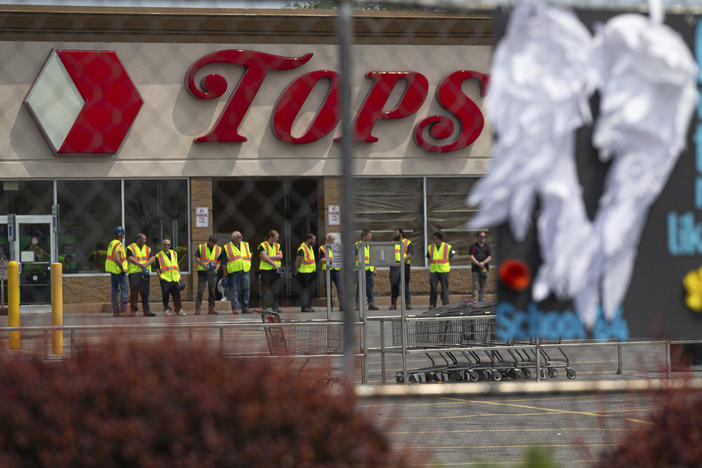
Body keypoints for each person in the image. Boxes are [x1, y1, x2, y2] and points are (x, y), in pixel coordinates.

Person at [222, 230, 252, 314]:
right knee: (234, 290)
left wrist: (247, 262)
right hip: (234, 272)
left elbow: (251, 253)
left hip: (245, 270)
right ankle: (235, 307)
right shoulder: (227, 247)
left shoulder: (246, 245)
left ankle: (245, 308)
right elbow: (223, 262)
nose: (241, 238)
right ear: (233, 238)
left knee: (246, 289)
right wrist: (225, 272)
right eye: (239, 237)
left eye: (241, 236)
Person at [126, 232, 155, 317]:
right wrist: (139, 264)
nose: (145, 241)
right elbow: (129, 257)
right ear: (138, 239)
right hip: (134, 273)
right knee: (134, 292)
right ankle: (133, 311)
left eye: (145, 239)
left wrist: (146, 264)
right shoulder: (130, 247)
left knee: (145, 292)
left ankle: (146, 311)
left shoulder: (147, 248)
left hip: (145, 274)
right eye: (143, 239)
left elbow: (152, 257)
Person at [154, 238, 184, 316]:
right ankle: (166, 309)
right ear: (162, 245)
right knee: (165, 295)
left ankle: (179, 310)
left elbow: (177, 265)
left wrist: (179, 276)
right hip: (165, 279)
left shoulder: (174, 253)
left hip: (175, 278)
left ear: (170, 245)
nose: (167, 246)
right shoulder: (158, 255)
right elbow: (157, 267)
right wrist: (160, 277)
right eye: (165, 244)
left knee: (177, 295)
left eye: (168, 245)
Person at [194, 233, 222, 315]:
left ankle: (211, 308)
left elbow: (219, 260)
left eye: (215, 243)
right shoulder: (201, 247)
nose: (213, 244)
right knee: (200, 290)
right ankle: (198, 308)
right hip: (203, 271)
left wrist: (218, 266)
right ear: (209, 241)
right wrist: (204, 265)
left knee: (212, 291)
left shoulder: (218, 249)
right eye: (212, 242)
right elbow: (197, 258)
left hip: (212, 272)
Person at [426, 231, 455, 309]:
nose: (433, 240)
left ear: (439, 239)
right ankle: (432, 304)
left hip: (444, 270)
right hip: (434, 270)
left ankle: (445, 304)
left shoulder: (448, 247)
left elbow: (451, 257)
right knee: (433, 288)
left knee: (444, 288)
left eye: (434, 239)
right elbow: (429, 257)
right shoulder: (430, 247)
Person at [105, 226, 129, 317]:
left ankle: (116, 312)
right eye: (123, 234)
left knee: (114, 291)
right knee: (124, 290)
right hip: (119, 271)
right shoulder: (118, 244)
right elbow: (117, 258)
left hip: (113, 271)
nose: (124, 235)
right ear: (120, 235)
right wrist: (123, 268)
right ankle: (123, 311)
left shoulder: (112, 243)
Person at [259, 229, 283, 312]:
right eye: (277, 237)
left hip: (275, 271)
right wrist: (274, 263)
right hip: (265, 271)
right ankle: (265, 307)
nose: (278, 239)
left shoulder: (278, 245)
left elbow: (280, 256)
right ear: (271, 237)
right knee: (266, 289)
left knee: (276, 290)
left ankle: (275, 307)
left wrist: (268, 257)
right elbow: (263, 258)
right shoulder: (263, 245)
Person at [389, 228, 413, 310]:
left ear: (401, 233)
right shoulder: (392, 242)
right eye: (394, 233)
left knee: (405, 285)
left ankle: (408, 303)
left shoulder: (407, 242)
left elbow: (409, 254)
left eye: (396, 233)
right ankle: (393, 303)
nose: (395, 234)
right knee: (394, 285)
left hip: (404, 265)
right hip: (394, 266)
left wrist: (402, 262)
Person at [355, 229, 379, 311]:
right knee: (360, 287)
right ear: (364, 236)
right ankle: (358, 304)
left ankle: (371, 304)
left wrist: (375, 268)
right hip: (361, 269)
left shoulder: (370, 245)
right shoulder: (358, 244)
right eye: (369, 236)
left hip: (370, 269)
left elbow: (374, 257)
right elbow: (353, 256)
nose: (370, 237)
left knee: (370, 287)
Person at [319, 233, 342, 310]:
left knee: (340, 288)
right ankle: (330, 306)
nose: (333, 241)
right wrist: (330, 260)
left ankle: (342, 306)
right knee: (328, 289)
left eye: (334, 239)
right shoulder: (322, 248)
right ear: (328, 239)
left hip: (336, 270)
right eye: (332, 239)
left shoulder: (336, 247)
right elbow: (321, 260)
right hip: (327, 270)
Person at [296, 233, 317, 312]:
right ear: (309, 240)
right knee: (304, 290)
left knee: (310, 290)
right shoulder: (302, 248)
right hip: (304, 273)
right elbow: (298, 260)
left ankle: (308, 305)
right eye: (313, 239)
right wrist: (297, 269)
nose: (315, 241)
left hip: (311, 272)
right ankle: (304, 307)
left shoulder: (310, 247)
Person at [469, 231, 492, 301]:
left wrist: (483, 262)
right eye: (481, 237)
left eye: (484, 237)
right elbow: (471, 256)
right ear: (478, 237)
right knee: (475, 285)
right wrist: (478, 263)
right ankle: (474, 299)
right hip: (475, 269)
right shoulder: (473, 246)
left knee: (483, 285)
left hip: (484, 269)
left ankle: (482, 299)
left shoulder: (487, 247)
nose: (483, 238)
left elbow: (489, 257)